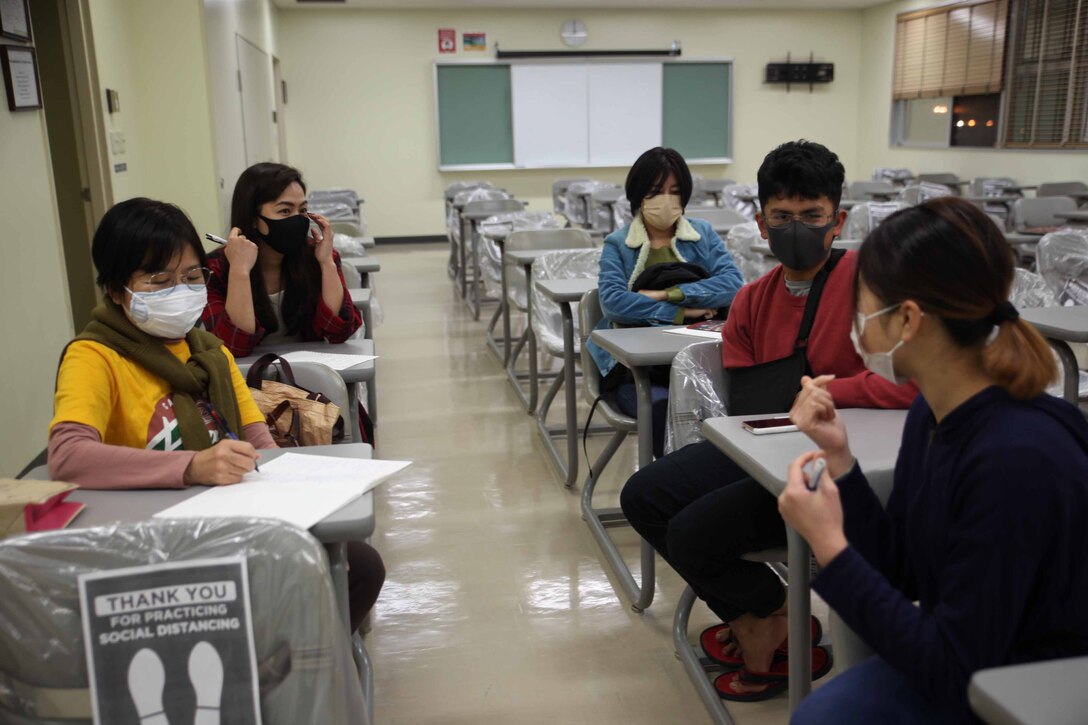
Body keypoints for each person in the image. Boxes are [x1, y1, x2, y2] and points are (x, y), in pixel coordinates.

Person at [619, 140, 918, 701]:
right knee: (644, 496)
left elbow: (915, 383)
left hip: (849, 463)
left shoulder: (873, 286)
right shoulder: (753, 301)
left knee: (694, 533)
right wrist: (801, 406)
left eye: (812, 215)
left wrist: (825, 393)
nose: (796, 228)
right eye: (781, 217)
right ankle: (769, 610)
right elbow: (752, 408)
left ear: (838, 221)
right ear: (760, 223)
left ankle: (764, 623)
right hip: (775, 446)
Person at [780, 197, 1088, 724]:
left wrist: (828, 544)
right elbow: (904, 571)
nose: (855, 325)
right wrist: (840, 460)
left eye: (861, 306)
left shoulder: (1017, 458)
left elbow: (955, 669)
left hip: (1033, 686)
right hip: (982, 659)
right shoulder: (934, 412)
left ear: (906, 319)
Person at [50, 197, 382, 632]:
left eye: (191, 277)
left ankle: (288, 663)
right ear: (116, 290)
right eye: (159, 280)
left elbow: (260, 442)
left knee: (359, 566)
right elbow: (68, 456)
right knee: (303, 585)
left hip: (225, 515)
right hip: (150, 537)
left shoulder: (209, 352)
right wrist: (191, 466)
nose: (180, 291)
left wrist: (301, 507)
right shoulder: (94, 357)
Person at [587, 147, 743, 458]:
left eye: (675, 191)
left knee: (738, 404)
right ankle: (674, 477)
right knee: (664, 410)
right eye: (656, 191)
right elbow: (614, 303)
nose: (666, 200)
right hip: (640, 372)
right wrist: (681, 312)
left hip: (703, 362)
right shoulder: (619, 243)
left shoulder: (702, 234)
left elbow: (732, 285)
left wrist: (667, 294)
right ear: (638, 195)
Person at [203, 162, 362, 357]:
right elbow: (235, 346)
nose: (297, 219)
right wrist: (240, 271)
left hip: (311, 371)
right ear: (253, 218)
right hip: (244, 374)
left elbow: (338, 333)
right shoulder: (215, 268)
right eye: (285, 211)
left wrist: (327, 263)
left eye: (302, 210)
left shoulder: (316, 256)